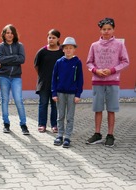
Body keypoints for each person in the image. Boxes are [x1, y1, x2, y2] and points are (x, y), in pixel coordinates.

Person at [86, 17, 129, 147]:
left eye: (109, 29)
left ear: (113, 29)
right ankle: (97, 134)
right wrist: (95, 70)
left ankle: (110, 135)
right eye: (104, 29)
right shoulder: (94, 45)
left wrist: (112, 70)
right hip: (97, 81)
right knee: (98, 109)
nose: (106, 31)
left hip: (113, 81)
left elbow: (125, 61)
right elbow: (89, 62)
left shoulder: (119, 44)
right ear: (100, 30)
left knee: (111, 109)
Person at [0, 24, 29, 135]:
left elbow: (22, 59)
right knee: (4, 100)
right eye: (7, 33)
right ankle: (6, 124)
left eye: (11, 33)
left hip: (16, 77)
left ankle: (23, 125)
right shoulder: (0, 46)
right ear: (4, 34)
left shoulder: (20, 46)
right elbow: (1, 59)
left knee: (19, 100)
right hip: (3, 76)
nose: (9, 35)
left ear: (14, 34)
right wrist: (15, 57)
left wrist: (8, 59)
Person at [51, 37, 84, 148]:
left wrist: (78, 94)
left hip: (72, 94)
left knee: (70, 116)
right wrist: (54, 93)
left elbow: (80, 79)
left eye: (71, 48)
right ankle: (60, 135)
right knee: (60, 115)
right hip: (60, 93)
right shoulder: (59, 62)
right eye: (66, 48)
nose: (68, 50)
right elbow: (54, 78)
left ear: (74, 49)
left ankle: (67, 137)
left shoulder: (77, 62)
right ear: (63, 49)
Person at [34, 29, 64, 133]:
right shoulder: (42, 51)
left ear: (58, 39)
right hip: (44, 83)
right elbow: (36, 66)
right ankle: (42, 124)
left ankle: (54, 125)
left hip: (57, 84)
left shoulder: (61, 52)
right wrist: (43, 76)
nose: (51, 39)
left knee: (55, 105)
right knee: (43, 104)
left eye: (53, 38)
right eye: (49, 37)